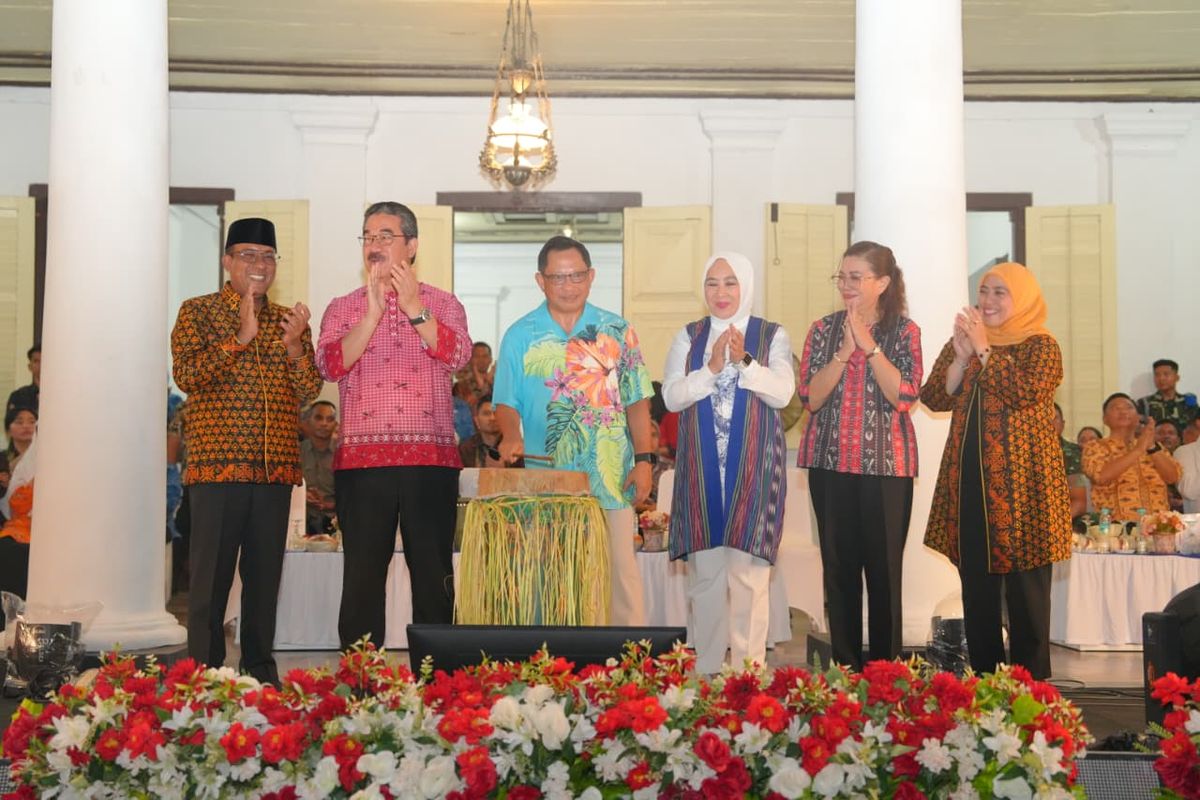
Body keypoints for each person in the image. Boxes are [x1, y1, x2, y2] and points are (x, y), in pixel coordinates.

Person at [171, 217, 322, 684]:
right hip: (217, 472)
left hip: (274, 472)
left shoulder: (287, 320)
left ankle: (260, 670)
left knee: (263, 584)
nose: (259, 264)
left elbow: (310, 388)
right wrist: (239, 338)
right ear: (227, 261)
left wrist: (296, 346)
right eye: (249, 255)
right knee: (209, 587)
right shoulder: (197, 312)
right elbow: (188, 375)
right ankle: (205, 675)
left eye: (268, 256)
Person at [316, 201, 471, 648]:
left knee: (433, 574)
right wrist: (371, 316)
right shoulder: (343, 307)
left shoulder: (443, 302)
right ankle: (362, 689)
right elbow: (329, 366)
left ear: (412, 245)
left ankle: (438, 685)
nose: (375, 244)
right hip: (363, 466)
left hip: (431, 462)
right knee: (363, 578)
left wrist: (413, 307)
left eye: (386, 235)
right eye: (368, 236)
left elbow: (458, 356)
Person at [494, 235, 654, 626]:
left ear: (591, 276)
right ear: (540, 281)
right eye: (558, 278)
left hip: (610, 472)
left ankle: (629, 664)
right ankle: (555, 663)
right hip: (547, 476)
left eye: (576, 276)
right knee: (552, 574)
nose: (568, 285)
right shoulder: (520, 335)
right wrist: (511, 434)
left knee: (619, 575)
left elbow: (637, 401)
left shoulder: (617, 330)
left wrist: (645, 460)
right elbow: (505, 403)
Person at [922, 262, 1071, 680]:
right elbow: (934, 396)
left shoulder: (1040, 345)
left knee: (1027, 597)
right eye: (983, 291)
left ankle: (1032, 690)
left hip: (1026, 491)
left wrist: (984, 350)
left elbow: (1024, 392)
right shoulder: (968, 344)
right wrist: (961, 355)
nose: (987, 301)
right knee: (979, 595)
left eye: (999, 293)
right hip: (971, 488)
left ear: (1020, 298)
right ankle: (985, 687)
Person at [663, 252, 794, 673]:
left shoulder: (771, 335)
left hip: (752, 473)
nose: (721, 293)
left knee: (749, 580)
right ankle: (705, 673)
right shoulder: (688, 337)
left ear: (747, 286)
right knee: (705, 581)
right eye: (712, 283)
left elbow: (782, 394)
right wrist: (713, 368)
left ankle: (747, 679)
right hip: (702, 475)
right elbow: (671, 397)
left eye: (730, 283)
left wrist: (744, 362)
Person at [797, 241, 922, 670]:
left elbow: (904, 395)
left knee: (884, 574)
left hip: (886, 468)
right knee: (839, 572)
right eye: (842, 277)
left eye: (857, 277)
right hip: (830, 466)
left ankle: (887, 672)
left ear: (882, 283)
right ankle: (844, 669)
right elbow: (810, 399)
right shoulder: (821, 329)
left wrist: (869, 348)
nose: (846, 285)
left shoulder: (904, 332)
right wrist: (842, 353)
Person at [1082, 393, 1182, 521]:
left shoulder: (1155, 447)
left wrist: (1151, 447)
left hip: (1159, 527)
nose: (1123, 411)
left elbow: (1172, 477)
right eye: (1116, 408)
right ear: (1105, 419)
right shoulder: (1095, 446)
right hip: (1117, 529)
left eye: (1129, 407)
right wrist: (1138, 450)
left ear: (1138, 418)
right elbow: (1101, 476)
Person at [0, 406, 37, 602]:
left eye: (32, 422)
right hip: (12, 526)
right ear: (8, 428)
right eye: (19, 421)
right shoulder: (3, 459)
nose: (27, 427)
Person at [300, 400, 338, 534]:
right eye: (318, 418)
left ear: (336, 424)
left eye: (330, 419)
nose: (324, 423)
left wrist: (330, 505)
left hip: (336, 521)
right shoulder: (296, 452)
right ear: (308, 421)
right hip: (301, 520)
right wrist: (302, 495)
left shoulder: (343, 454)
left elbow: (354, 492)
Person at [1138, 359, 1198, 430]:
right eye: (1157, 375)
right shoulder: (1144, 403)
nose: (1161, 378)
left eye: (1166, 374)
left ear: (1177, 378)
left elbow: (1196, 426)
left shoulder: (1188, 401)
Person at [458, 393, 513, 468]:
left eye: (496, 413)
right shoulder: (465, 449)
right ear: (476, 420)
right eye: (486, 413)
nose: (492, 418)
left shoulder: (515, 447)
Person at [1054, 403, 1088, 518]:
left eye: (1054, 418)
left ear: (1063, 425)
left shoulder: (1072, 453)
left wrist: (1055, 526)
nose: (1049, 422)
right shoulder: (1020, 451)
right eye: (1043, 418)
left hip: (1062, 520)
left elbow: (1079, 502)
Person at [455, 341, 495, 409]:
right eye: (476, 356)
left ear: (490, 360)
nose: (481, 360)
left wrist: (489, 382)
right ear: (470, 359)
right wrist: (484, 384)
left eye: (485, 356)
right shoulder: (461, 385)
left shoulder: (498, 383)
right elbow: (467, 406)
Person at [6, 344, 40, 414]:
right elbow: (12, 423)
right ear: (30, 367)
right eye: (36, 361)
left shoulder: (62, 394)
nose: (41, 365)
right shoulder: (18, 396)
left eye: (45, 361)